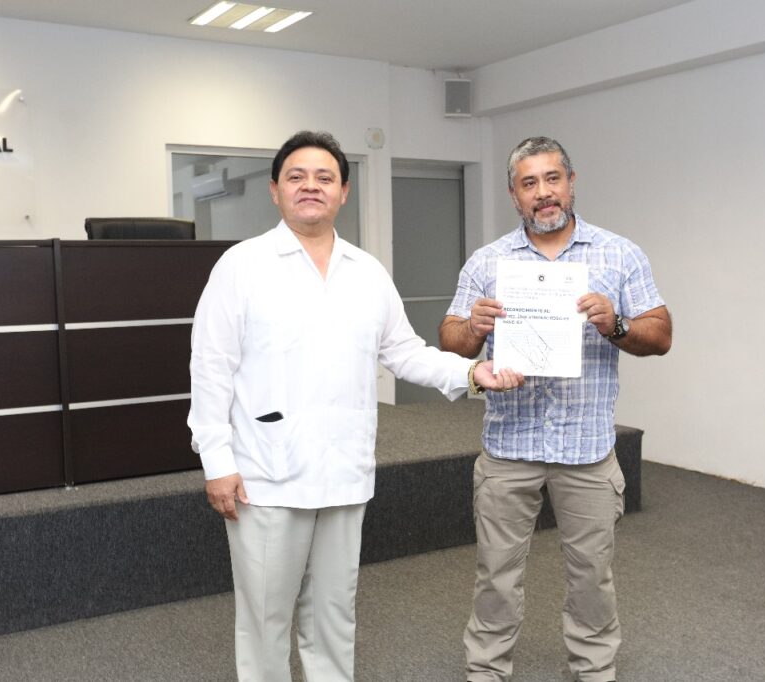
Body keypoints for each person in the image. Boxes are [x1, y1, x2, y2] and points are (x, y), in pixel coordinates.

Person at [188, 130, 523, 682]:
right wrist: (216, 461)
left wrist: (471, 372)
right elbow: (210, 368)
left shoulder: (366, 271)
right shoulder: (241, 266)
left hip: (344, 472)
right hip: (265, 475)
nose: (311, 186)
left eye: (325, 178)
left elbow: (405, 352)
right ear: (275, 190)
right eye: (297, 177)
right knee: (266, 619)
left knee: (334, 614)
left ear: (343, 192)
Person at [440, 136, 672, 682]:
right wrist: (473, 327)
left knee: (592, 577)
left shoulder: (619, 254)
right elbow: (450, 338)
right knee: (495, 575)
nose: (543, 193)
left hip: (587, 451)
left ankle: (594, 671)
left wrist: (616, 323)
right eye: (529, 183)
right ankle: (486, 672)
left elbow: (660, 334)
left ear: (571, 182)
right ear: (514, 195)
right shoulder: (488, 261)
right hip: (509, 448)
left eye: (552, 179)